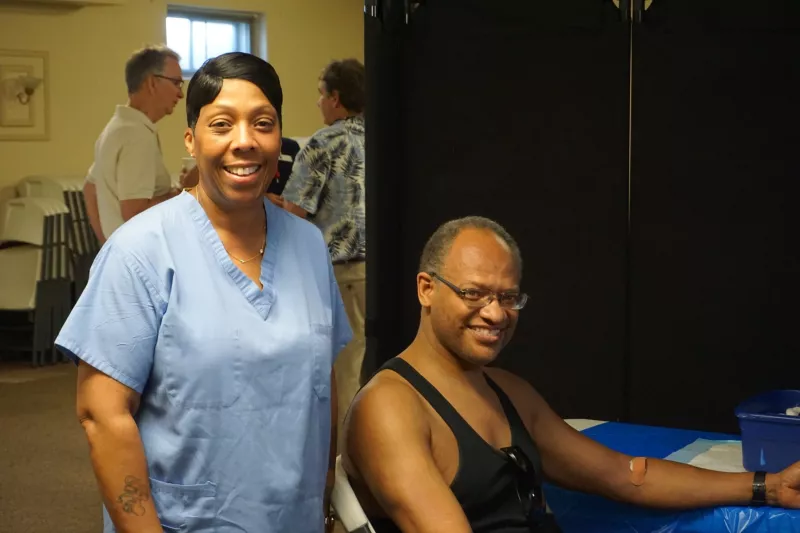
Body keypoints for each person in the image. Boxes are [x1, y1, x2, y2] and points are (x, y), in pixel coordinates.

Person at [341, 216, 800, 533]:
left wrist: (768, 487)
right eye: (474, 294)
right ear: (426, 289)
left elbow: (624, 475)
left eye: (509, 297)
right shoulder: (389, 408)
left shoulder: (506, 391)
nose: (496, 313)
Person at [56, 52, 351, 533]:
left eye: (262, 123)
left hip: (293, 516)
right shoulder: (142, 251)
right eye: (221, 124)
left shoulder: (308, 246)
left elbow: (322, 381)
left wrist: (324, 489)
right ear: (191, 140)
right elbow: (101, 415)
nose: (244, 142)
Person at [278, 58, 366, 451]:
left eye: (320, 94)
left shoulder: (324, 142)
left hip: (340, 273)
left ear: (335, 98)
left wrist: (263, 200)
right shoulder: (389, 136)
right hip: (387, 272)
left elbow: (295, 211)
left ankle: (348, 463)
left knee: (345, 372)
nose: (318, 102)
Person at [83, 45, 185, 244]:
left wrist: (107, 246)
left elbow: (90, 189)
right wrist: (185, 192)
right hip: (141, 259)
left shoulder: (117, 127)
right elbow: (135, 212)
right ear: (152, 83)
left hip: (124, 258)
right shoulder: (136, 135)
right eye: (176, 83)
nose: (180, 94)